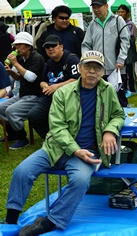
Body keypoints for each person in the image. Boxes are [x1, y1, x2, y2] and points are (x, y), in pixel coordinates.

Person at [3, 51, 125, 235]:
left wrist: (110, 131)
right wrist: (75, 150)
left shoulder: (107, 90)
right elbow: (57, 126)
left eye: (97, 68)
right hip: (56, 148)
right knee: (22, 171)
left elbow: (118, 115)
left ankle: (51, 221)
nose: (92, 71)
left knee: (81, 180)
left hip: (88, 152)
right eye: (88, 66)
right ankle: (11, 218)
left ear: (102, 72)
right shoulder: (63, 93)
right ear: (80, 68)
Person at [27, 34, 80, 140]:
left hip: (69, 97)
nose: (50, 49)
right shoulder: (49, 63)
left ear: (61, 46)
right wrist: (45, 86)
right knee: (33, 115)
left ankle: (66, 138)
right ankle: (51, 138)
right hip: (50, 95)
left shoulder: (72, 59)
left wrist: (57, 87)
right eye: (47, 47)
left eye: (53, 46)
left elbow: (77, 79)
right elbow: (42, 81)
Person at [82, 0, 130, 107]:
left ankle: (124, 122)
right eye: (94, 7)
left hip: (116, 69)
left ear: (106, 6)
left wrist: (121, 59)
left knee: (119, 100)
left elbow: (125, 41)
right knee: (100, 101)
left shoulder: (118, 20)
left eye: (99, 7)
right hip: (98, 70)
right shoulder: (92, 24)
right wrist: (87, 60)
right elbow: (86, 44)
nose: (96, 10)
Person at [0, 32, 44, 149]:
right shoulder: (22, 58)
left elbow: (31, 77)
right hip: (22, 94)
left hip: (34, 96)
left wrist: (15, 63)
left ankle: (22, 138)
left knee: (11, 111)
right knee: (1, 108)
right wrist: (12, 72)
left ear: (29, 46)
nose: (16, 48)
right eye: (15, 45)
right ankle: (13, 134)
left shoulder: (36, 58)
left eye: (19, 45)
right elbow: (20, 77)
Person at [117, 4, 137, 96]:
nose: (120, 14)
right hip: (119, 51)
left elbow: (131, 38)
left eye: (123, 12)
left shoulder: (130, 24)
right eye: (119, 12)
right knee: (122, 72)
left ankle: (132, 88)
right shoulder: (116, 23)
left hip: (129, 52)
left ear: (127, 13)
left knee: (130, 71)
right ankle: (124, 88)